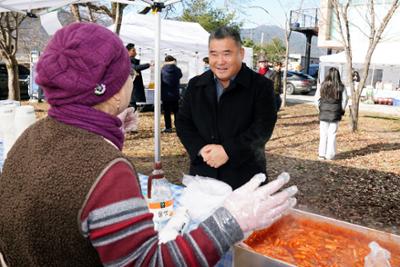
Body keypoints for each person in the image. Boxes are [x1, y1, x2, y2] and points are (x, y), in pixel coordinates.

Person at [0, 22, 297, 267]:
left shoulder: (30, 135)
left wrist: (109, 130)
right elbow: (151, 262)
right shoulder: (107, 170)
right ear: (114, 92)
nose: (131, 78)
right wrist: (229, 222)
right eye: (128, 72)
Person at [176, 26, 277, 190]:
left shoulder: (260, 86)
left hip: (244, 179)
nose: (220, 61)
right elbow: (183, 122)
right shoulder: (196, 85)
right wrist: (201, 149)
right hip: (203, 174)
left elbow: (262, 128)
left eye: (227, 54)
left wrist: (228, 151)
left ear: (241, 53)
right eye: (213, 54)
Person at [314, 67, 348, 161]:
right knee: (332, 134)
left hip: (323, 112)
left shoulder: (322, 85)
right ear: (338, 76)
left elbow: (316, 99)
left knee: (323, 134)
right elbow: (345, 100)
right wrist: (341, 110)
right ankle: (330, 155)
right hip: (335, 113)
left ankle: (321, 154)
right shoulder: (341, 86)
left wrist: (319, 109)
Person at [126, 43, 152, 110]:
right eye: (133, 50)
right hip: (130, 87)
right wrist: (148, 65)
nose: (135, 52)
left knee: (132, 104)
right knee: (131, 105)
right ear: (127, 51)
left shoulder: (131, 60)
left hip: (132, 87)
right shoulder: (127, 60)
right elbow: (135, 67)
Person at [161, 55, 182, 133]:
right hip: (175, 93)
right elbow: (180, 76)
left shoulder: (162, 70)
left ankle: (168, 127)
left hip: (165, 94)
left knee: (167, 112)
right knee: (176, 111)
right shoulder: (177, 69)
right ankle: (178, 126)